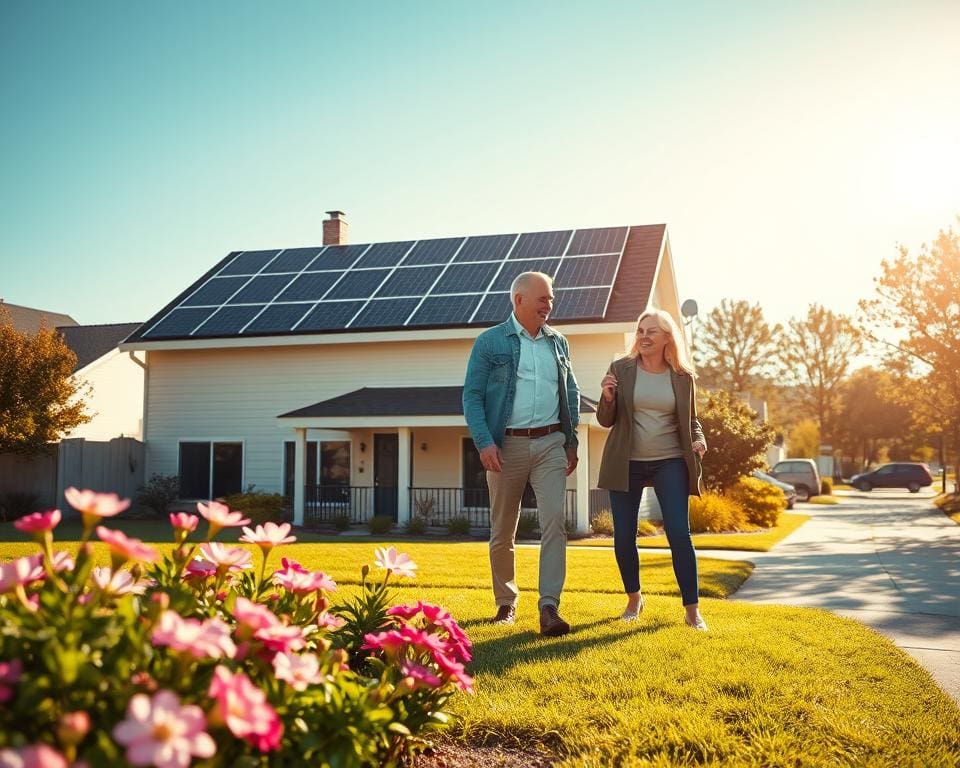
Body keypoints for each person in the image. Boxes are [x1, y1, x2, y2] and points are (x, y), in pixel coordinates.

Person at [462, 271, 580, 637]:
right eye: (543, 298)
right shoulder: (490, 342)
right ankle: (505, 602)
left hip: (550, 443)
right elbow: (472, 396)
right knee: (502, 530)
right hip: (505, 445)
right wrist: (484, 442)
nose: (550, 304)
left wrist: (571, 441)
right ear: (519, 300)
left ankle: (549, 606)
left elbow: (570, 393)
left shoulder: (558, 343)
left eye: (551, 299)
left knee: (554, 523)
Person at [596, 308, 709, 630]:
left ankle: (692, 610)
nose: (644, 337)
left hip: (670, 460)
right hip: (626, 463)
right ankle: (634, 599)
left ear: (667, 338)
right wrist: (607, 397)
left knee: (678, 532)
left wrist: (699, 440)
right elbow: (606, 420)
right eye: (640, 330)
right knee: (624, 536)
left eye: (652, 332)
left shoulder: (683, 377)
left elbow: (691, 420)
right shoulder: (621, 368)